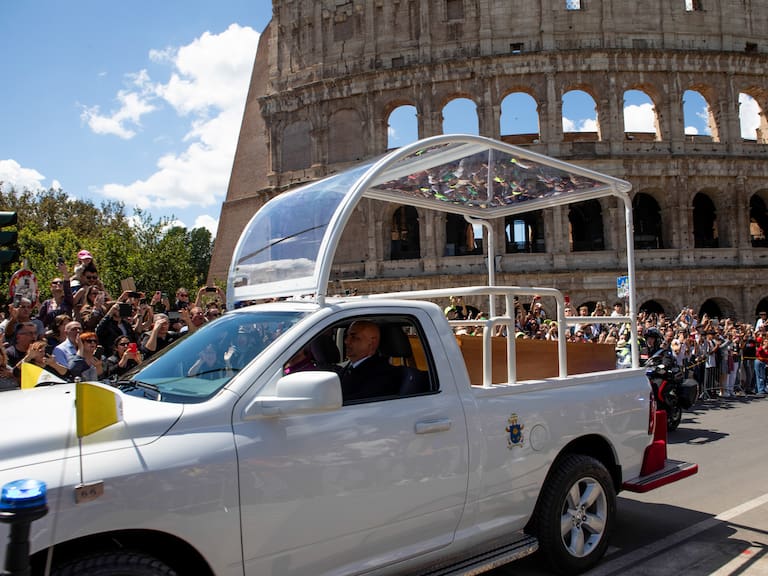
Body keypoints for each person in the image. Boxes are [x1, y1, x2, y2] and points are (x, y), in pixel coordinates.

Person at [340, 321, 397, 402]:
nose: (346, 341)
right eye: (347, 336)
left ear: (372, 343)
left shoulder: (381, 374)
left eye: (354, 337)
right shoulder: (349, 366)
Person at [95, 292, 137, 357]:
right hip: (114, 357)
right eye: (118, 309)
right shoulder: (107, 326)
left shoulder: (125, 324)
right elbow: (98, 330)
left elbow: (132, 338)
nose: (120, 310)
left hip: (130, 354)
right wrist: (111, 311)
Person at [38, 262, 74, 330]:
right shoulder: (47, 303)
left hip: (65, 332)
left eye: (61, 282)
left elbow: (67, 289)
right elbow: (40, 319)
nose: (58, 284)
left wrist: (65, 272)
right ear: (51, 287)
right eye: (55, 283)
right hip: (50, 334)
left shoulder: (67, 300)